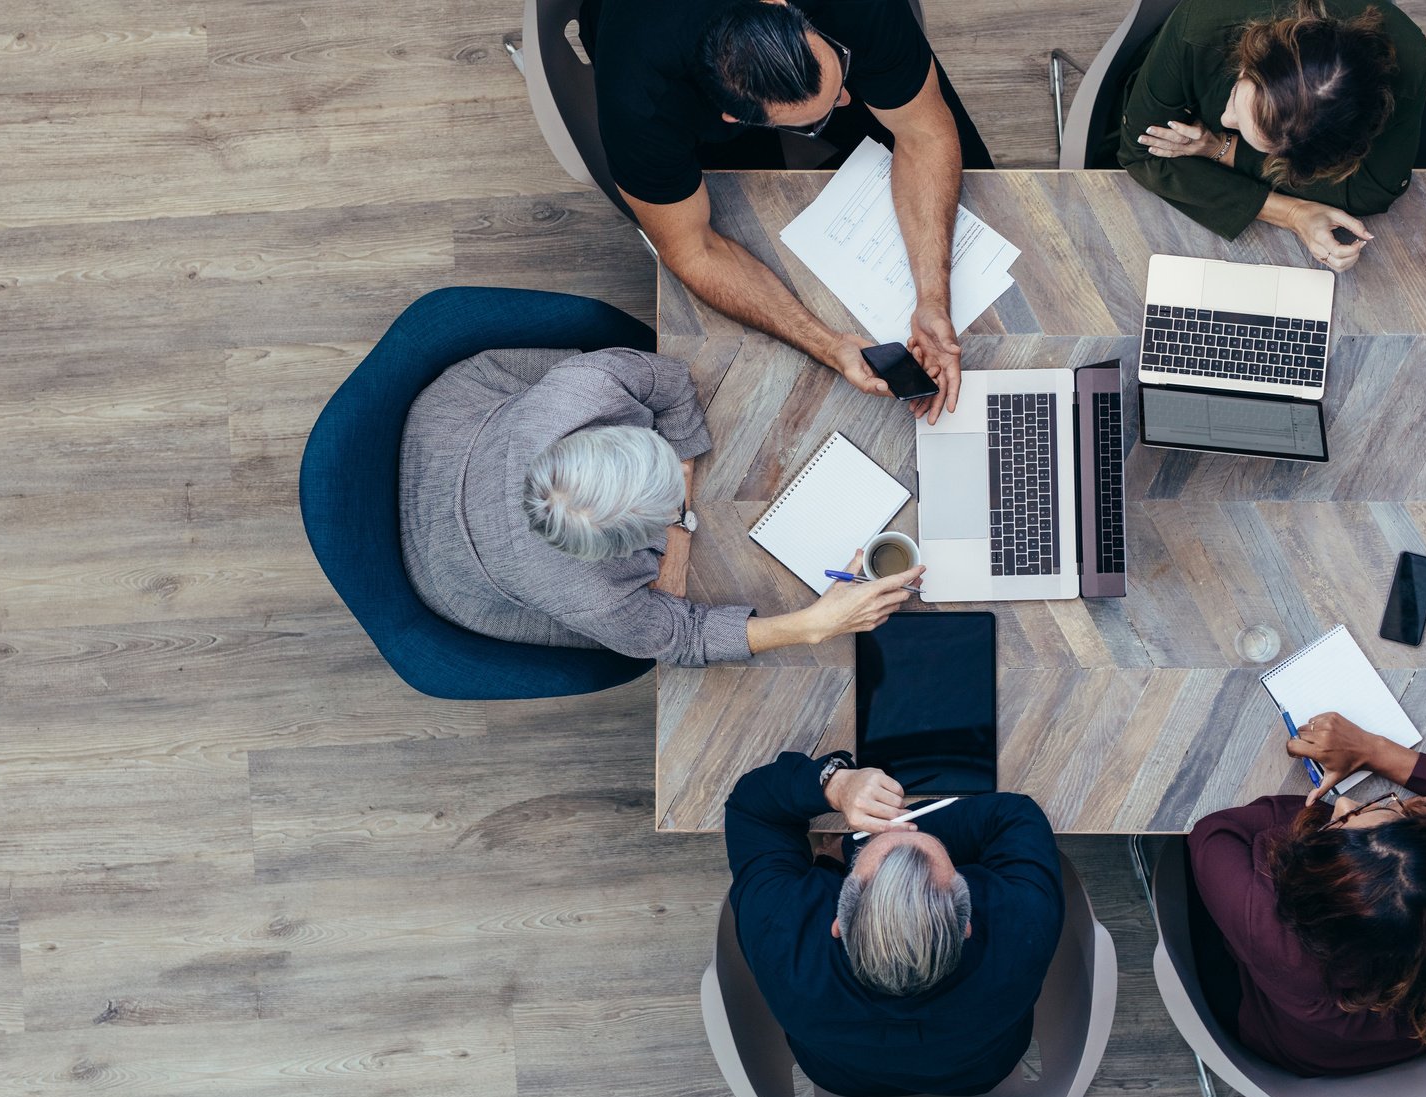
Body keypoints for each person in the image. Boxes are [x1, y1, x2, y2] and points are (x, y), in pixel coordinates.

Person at [586, 0, 997, 424]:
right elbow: (694, 249)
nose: (849, 99)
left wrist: (932, 298)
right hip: (640, 40)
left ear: (781, 6)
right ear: (732, 117)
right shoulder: (641, 102)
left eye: (838, 64)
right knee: (744, 214)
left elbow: (925, 134)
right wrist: (829, 345)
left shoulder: (856, 11)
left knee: (976, 183)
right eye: (815, 119)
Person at [399, 346, 924, 667]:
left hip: (451, 422)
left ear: (606, 433)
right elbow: (681, 638)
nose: (680, 478)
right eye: (668, 512)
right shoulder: (594, 597)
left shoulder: (586, 387)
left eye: (660, 458)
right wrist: (813, 625)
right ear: (617, 552)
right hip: (448, 566)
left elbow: (671, 388)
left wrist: (681, 509)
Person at [1188, 711, 1426, 1075]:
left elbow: (1215, 831)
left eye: (1345, 819)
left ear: (1310, 888)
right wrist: (1374, 752)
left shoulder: (1274, 936)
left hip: (1298, 1050)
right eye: (1387, 809)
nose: (1344, 804)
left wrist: (1322, 822)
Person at [724, 750, 1063, 1096]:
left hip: (839, 1076)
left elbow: (752, 810)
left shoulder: (781, 939)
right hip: (979, 1071)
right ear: (967, 926)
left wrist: (836, 786)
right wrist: (898, 829)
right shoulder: (1023, 928)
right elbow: (1016, 815)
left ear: (838, 923)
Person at [1112, 0, 1426, 273]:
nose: (1225, 119)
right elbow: (1139, 152)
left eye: (1269, 148)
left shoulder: (1409, 61)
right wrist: (1292, 213)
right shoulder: (1200, 25)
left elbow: (1371, 192)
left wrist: (1220, 148)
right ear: (1257, 51)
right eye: (1238, 93)